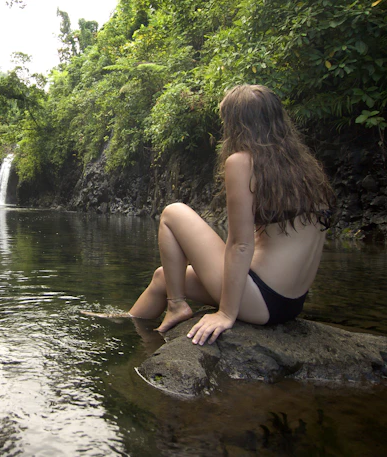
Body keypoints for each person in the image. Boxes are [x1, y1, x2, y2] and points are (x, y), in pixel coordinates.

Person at [128, 84, 334, 345]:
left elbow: (240, 244)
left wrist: (226, 313)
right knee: (163, 277)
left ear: (236, 124)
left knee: (172, 212)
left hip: (259, 298)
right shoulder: (304, 167)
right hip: (289, 303)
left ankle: (177, 306)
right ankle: (129, 327)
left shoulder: (243, 161)